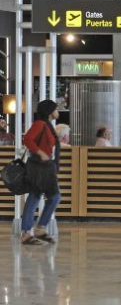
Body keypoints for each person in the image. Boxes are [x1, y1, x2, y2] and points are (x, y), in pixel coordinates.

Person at [20, 100, 62, 245]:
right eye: (56, 109)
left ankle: (34, 230)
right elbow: (27, 139)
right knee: (45, 197)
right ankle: (34, 230)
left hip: (45, 167)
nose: (58, 112)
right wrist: (41, 153)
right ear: (50, 111)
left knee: (40, 197)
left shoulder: (48, 125)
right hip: (39, 166)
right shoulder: (40, 124)